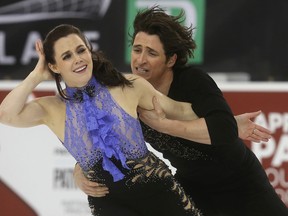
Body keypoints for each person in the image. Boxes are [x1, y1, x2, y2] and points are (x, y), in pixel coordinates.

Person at [73, 6, 288, 216]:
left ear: (171, 60)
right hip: (194, 186)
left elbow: (223, 129)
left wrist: (165, 126)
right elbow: (100, 139)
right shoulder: (128, 94)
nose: (140, 60)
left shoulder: (192, 81)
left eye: (152, 53)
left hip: (240, 182)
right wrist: (79, 170)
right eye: (137, 50)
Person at [0, 24, 204, 216]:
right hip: (109, 204)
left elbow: (181, 111)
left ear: (89, 51)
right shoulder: (51, 108)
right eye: (67, 56)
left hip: (159, 194)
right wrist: (36, 75)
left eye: (81, 50)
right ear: (53, 66)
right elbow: (5, 115)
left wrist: (220, 117)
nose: (78, 59)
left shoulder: (128, 86)